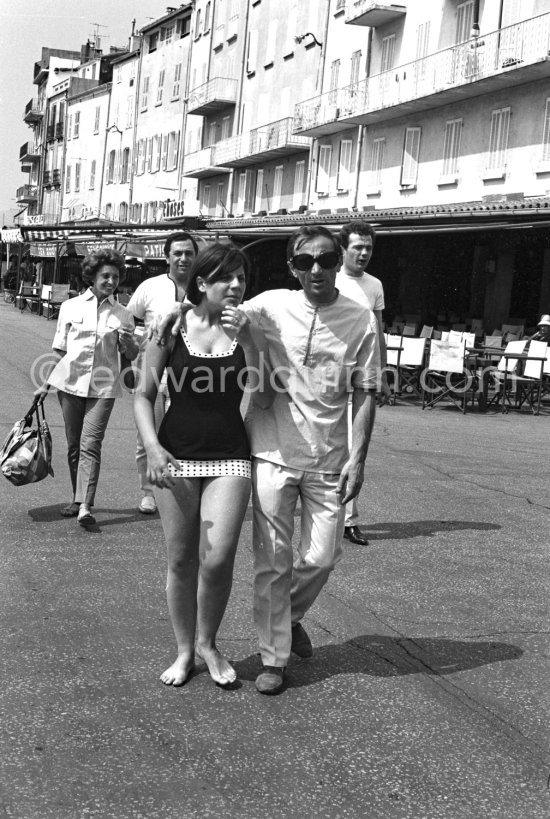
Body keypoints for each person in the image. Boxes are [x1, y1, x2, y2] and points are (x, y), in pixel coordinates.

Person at [152, 225, 380, 695]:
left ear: (338, 262)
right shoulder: (269, 304)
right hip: (269, 450)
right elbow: (209, 302)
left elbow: (366, 391)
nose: (315, 268)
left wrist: (358, 459)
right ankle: (272, 658)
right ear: (292, 267)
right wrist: (173, 311)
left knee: (322, 555)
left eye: (325, 259)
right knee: (270, 561)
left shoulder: (361, 318)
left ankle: (289, 616)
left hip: (329, 454)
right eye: (304, 261)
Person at [134, 243, 270, 688]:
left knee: (216, 560)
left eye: (242, 279)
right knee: (180, 561)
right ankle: (184, 650)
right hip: (174, 455)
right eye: (226, 278)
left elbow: (262, 391)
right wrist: (152, 449)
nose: (236, 286)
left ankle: (209, 643)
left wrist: (250, 339)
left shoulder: (248, 328)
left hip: (230, 455)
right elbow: (143, 396)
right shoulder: (170, 326)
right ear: (202, 283)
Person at [43, 249, 139, 526]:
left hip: (103, 388)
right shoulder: (70, 307)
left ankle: (85, 505)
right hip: (69, 385)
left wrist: (128, 342)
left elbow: (130, 355)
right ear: (92, 276)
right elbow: (60, 351)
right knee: (74, 446)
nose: (111, 281)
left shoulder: (124, 314)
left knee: (90, 444)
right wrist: (46, 385)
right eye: (105, 276)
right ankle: (76, 497)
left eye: (115, 276)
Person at [127, 232, 198, 515]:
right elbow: (129, 319)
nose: (183, 258)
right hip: (153, 371)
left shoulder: (203, 288)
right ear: (166, 256)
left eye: (189, 253)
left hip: (193, 376)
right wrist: (135, 345)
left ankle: (180, 488)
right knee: (148, 435)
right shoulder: (150, 286)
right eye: (177, 253)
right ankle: (148, 491)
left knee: (184, 432)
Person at [336, 220, 390, 546]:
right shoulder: (330, 279)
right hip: (331, 373)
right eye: (357, 247)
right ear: (343, 249)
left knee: (355, 446)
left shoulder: (375, 285)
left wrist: (382, 373)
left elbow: (379, 330)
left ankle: (349, 519)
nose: (364, 253)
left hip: (363, 373)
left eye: (368, 247)